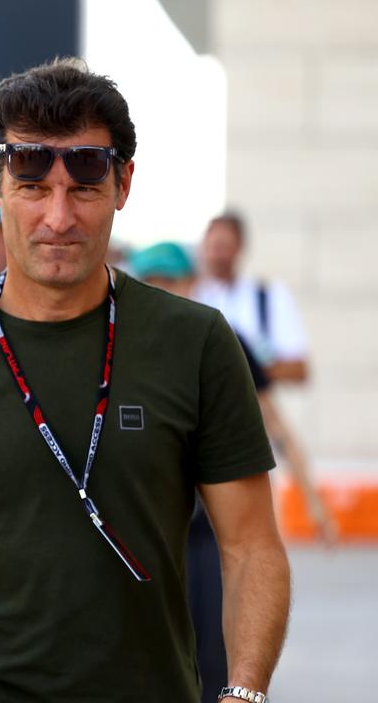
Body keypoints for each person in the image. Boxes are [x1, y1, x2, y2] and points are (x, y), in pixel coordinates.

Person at [0, 58, 290, 703]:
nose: (58, 217)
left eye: (83, 185)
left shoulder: (194, 342)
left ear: (123, 184)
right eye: (31, 183)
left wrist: (245, 692)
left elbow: (251, 547)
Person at [133, 240, 336, 703]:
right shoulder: (117, 345)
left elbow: (274, 423)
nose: (161, 291)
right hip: (140, 531)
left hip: (207, 529)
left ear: (192, 283)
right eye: (151, 281)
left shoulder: (220, 341)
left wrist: (314, 500)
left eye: (170, 281)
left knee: (213, 660)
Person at [195, 213, 309, 383]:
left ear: (240, 248)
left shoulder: (269, 295)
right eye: (212, 247)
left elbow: (298, 368)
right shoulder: (191, 295)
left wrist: (245, 370)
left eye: (224, 247)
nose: (217, 256)